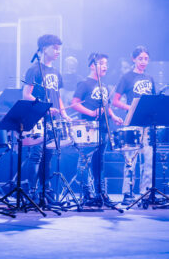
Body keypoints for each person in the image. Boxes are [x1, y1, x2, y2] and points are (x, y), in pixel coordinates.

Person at [22, 34, 71, 201]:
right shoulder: (34, 69)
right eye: (54, 48)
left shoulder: (56, 73)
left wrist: (64, 114)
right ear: (44, 48)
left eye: (59, 48)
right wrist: (44, 108)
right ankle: (31, 192)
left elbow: (58, 97)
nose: (58, 51)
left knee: (48, 156)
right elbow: (26, 95)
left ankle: (45, 191)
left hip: (53, 120)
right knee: (36, 155)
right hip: (37, 119)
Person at [71, 53, 123, 205]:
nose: (105, 66)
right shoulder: (84, 83)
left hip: (103, 128)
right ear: (92, 65)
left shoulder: (104, 85)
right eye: (101, 63)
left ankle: (101, 194)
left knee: (99, 162)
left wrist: (113, 116)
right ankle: (86, 192)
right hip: (88, 128)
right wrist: (91, 113)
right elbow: (74, 103)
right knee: (85, 160)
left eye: (106, 63)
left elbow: (106, 105)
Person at [112, 46, 155, 205]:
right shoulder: (127, 77)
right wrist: (131, 107)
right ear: (134, 59)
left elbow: (153, 100)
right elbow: (115, 101)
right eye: (140, 58)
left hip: (147, 124)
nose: (143, 61)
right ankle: (127, 193)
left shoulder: (150, 78)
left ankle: (146, 192)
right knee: (131, 160)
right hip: (132, 123)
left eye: (146, 59)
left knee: (149, 159)